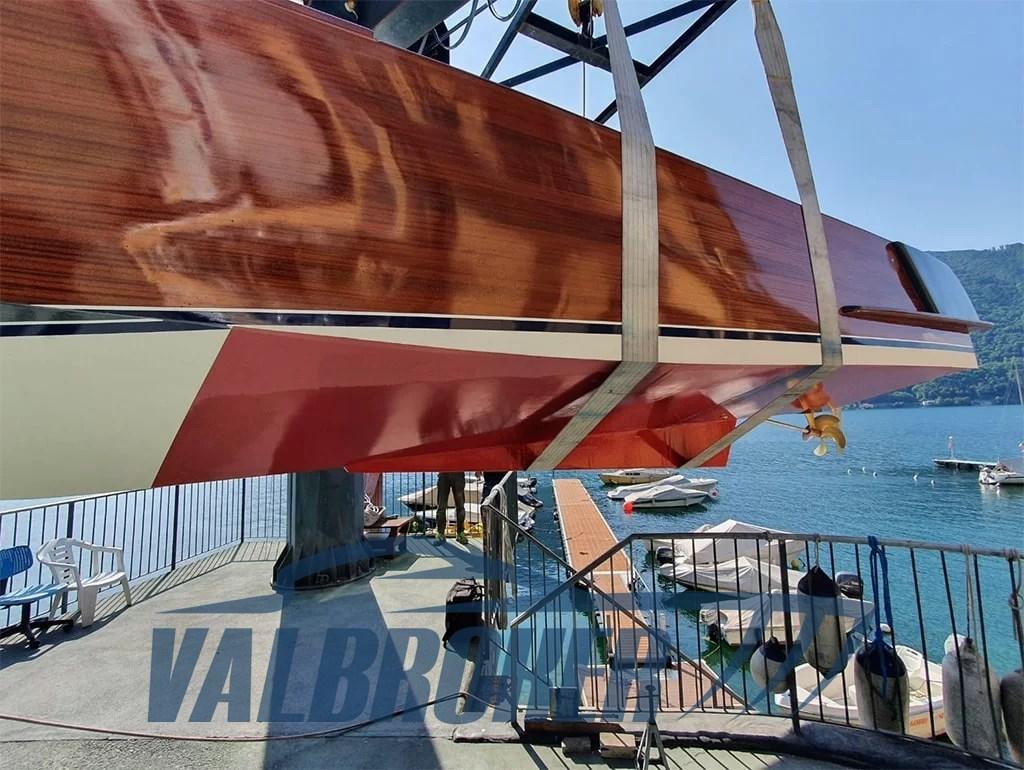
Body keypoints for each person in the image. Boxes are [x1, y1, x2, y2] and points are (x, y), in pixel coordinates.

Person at [435, 471, 467, 544]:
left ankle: (460, 533)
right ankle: (440, 533)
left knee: (460, 506)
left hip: (458, 474)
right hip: (444, 474)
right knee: (441, 507)